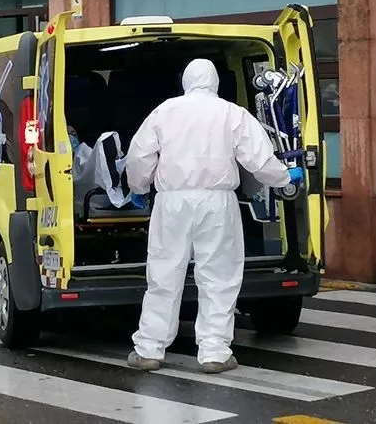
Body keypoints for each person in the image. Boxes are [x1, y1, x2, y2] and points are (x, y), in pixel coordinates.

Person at [125, 59, 305, 374]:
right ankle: (214, 352)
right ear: (216, 82)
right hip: (217, 202)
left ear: (185, 82)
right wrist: (284, 177)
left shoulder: (164, 112)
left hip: (172, 202)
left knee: (164, 274)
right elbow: (259, 158)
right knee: (219, 276)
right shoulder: (232, 113)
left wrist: (138, 187)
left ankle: (149, 349)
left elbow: (139, 155)